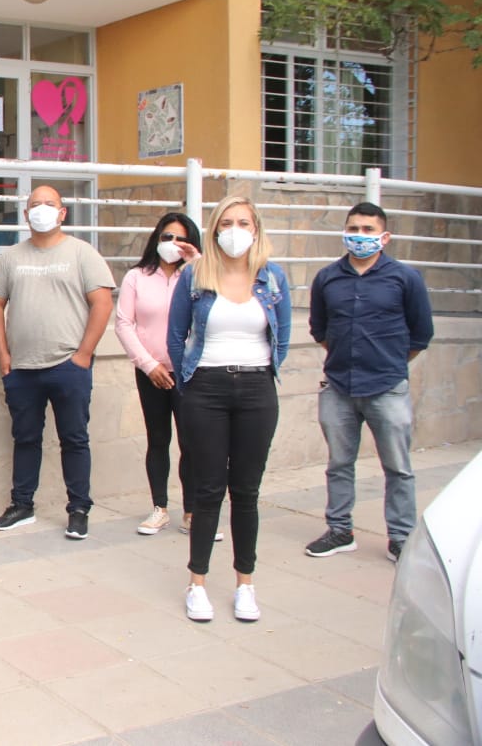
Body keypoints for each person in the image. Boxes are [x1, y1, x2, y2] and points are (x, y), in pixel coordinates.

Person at [167, 196, 291, 624]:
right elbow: (175, 335)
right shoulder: (195, 275)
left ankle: (245, 584)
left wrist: (262, 374)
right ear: (214, 229)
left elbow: (284, 336)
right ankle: (197, 583)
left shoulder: (273, 278)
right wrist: (189, 385)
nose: (234, 230)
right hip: (206, 388)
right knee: (207, 490)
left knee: (247, 491)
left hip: (257, 388)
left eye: (243, 222)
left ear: (255, 229)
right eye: (226, 222)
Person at [305, 202, 433, 563]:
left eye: (367, 230)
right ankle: (339, 530)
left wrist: (388, 362)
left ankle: (401, 538)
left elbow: (421, 335)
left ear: (384, 236)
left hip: (387, 388)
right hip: (339, 388)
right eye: (353, 229)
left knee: (398, 467)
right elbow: (320, 329)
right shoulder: (328, 278)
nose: (359, 236)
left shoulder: (406, 278)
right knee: (339, 464)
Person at [0, 185, 115, 539]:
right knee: (25, 438)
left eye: (49, 204)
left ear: (63, 213)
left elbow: (102, 303)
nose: (41, 209)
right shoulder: (12, 257)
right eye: (34, 205)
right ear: (25, 215)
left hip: (68, 367)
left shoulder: (81, 253)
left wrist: (83, 355)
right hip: (22, 368)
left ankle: (78, 508)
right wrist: (4, 356)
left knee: (74, 439)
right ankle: (22, 504)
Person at [115, 212, 220, 537]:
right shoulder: (137, 277)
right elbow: (124, 323)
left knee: (193, 443)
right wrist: (148, 365)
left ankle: (192, 512)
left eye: (180, 238)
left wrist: (197, 263)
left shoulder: (200, 275)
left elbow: (216, 309)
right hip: (152, 372)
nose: (172, 244)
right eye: (166, 237)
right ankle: (159, 507)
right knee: (158, 440)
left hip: (191, 372)